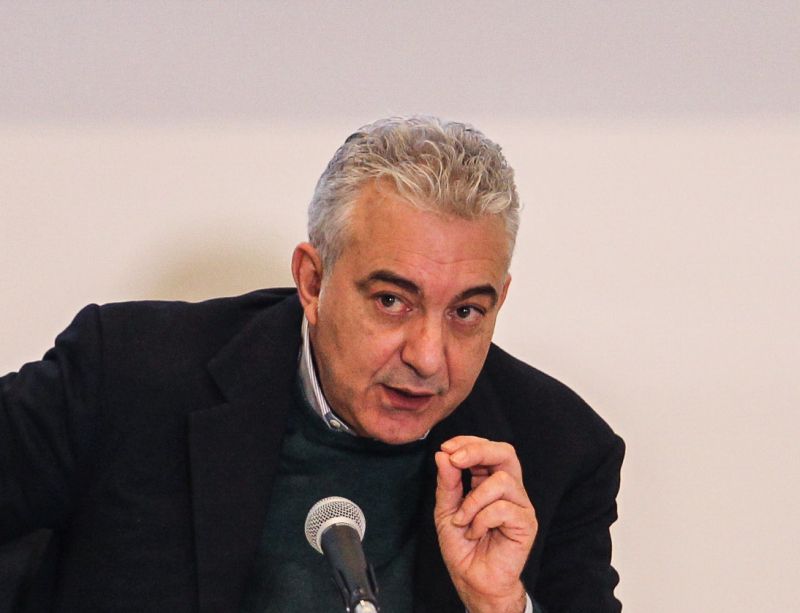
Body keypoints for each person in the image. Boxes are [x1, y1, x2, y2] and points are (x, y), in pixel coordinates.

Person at [0, 116, 624, 612]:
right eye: (391, 301)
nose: (428, 357)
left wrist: (502, 607)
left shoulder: (555, 450)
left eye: (466, 312)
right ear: (312, 281)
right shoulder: (129, 375)